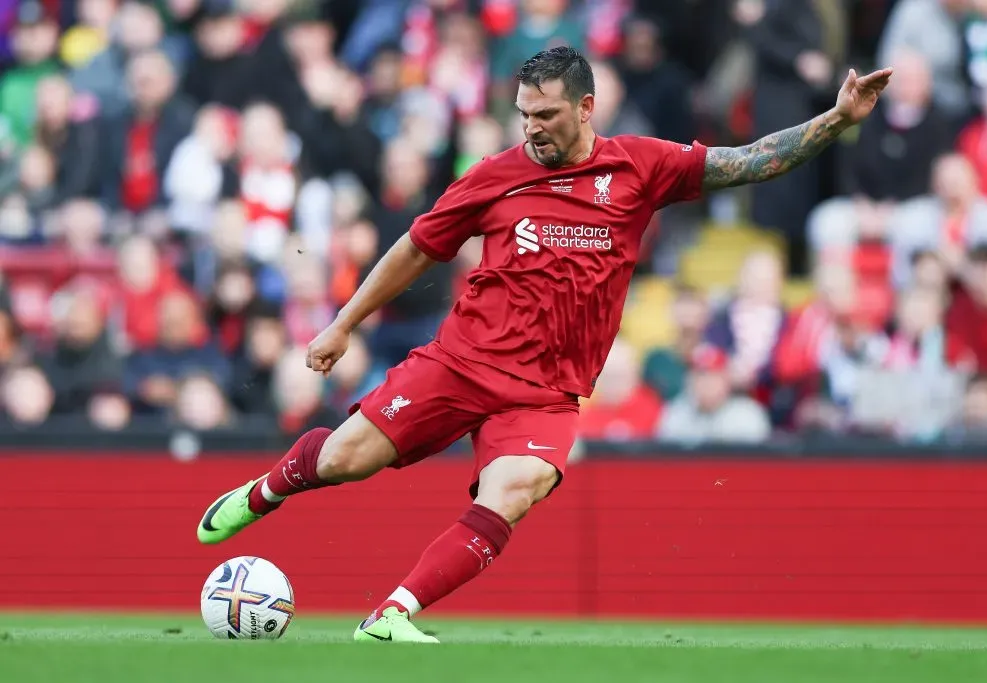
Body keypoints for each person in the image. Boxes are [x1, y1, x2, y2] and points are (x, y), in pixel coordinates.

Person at [196, 46, 891, 643]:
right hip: (461, 361)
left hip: (548, 392)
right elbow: (417, 248)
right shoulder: (497, 173)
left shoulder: (641, 168)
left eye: (547, 116)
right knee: (347, 459)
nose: (532, 129)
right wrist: (344, 322)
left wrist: (835, 120)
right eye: (524, 114)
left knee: (516, 488)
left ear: (586, 109)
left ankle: (392, 612)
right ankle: (263, 491)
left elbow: (747, 162)